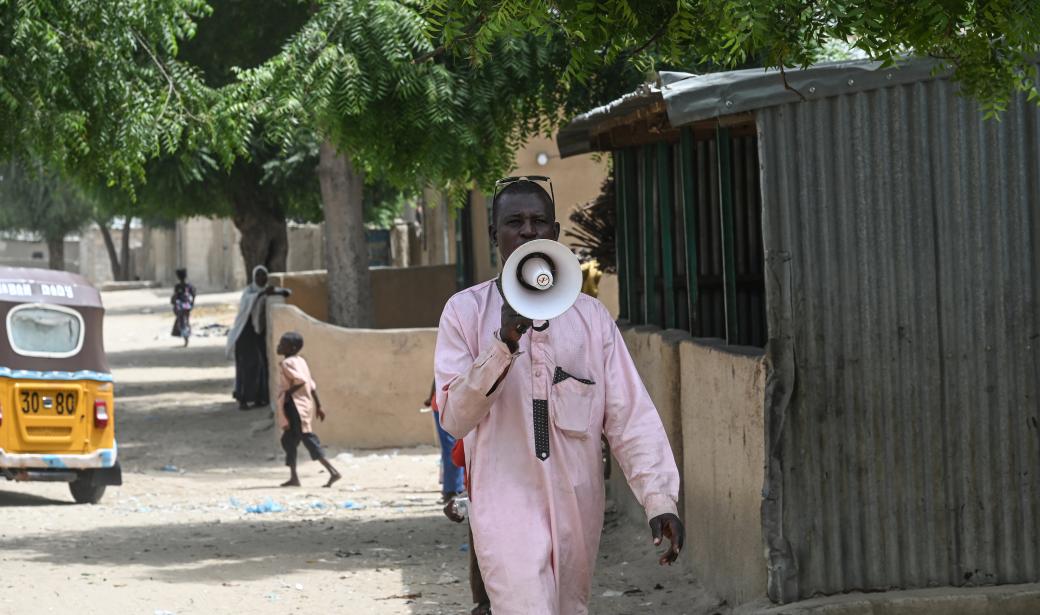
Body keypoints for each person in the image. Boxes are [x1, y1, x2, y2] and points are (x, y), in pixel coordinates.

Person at [434, 178, 684, 615]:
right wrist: (503, 344)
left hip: (577, 504)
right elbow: (454, 418)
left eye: (539, 222)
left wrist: (658, 499)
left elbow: (630, 416)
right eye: (514, 222)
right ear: (496, 235)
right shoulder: (465, 312)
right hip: (503, 500)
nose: (528, 231)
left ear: (555, 233)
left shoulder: (591, 319)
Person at [275, 331, 341, 488]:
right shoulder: (301, 361)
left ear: (291, 348)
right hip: (305, 405)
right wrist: (319, 405)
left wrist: (287, 394)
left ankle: (333, 472)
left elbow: (302, 381)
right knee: (288, 441)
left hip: (295, 406)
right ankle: (294, 477)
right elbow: (311, 385)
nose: (279, 346)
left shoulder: (287, 363)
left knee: (307, 439)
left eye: (282, 344)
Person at [227, 265, 290, 410]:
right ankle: (243, 399)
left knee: (259, 366)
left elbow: (285, 292)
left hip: (257, 333)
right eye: (258, 276)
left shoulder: (266, 290)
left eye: (264, 276)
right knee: (245, 367)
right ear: (254, 278)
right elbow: (247, 304)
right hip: (245, 333)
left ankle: (258, 398)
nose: (261, 279)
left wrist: (278, 292)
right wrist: (261, 295)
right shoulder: (249, 291)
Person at [424, 380, 465, 503]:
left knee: (451, 448)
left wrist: (430, 396)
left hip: (446, 403)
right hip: (448, 404)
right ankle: (453, 489)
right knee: (452, 447)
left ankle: (453, 488)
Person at [170, 268, 196, 347]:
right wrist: (192, 304)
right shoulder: (189, 286)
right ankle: (186, 336)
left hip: (180, 307)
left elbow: (175, 297)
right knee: (186, 321)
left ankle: (186, 338)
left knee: (182, 322)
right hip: (187, 306)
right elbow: (193, 295)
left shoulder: (178, 286)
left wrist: (174, 305)